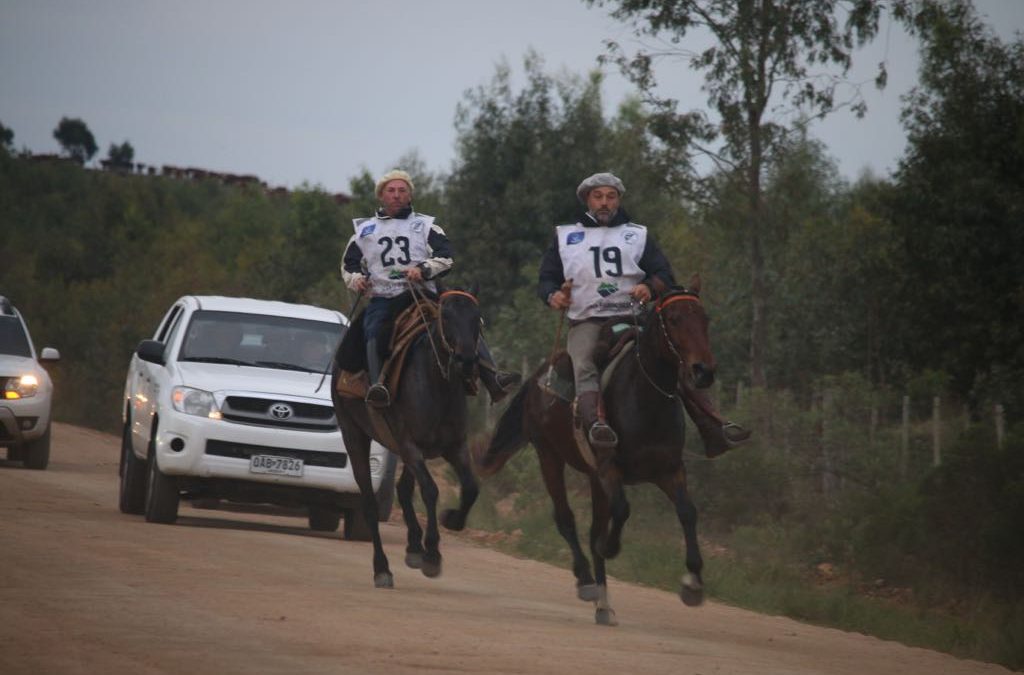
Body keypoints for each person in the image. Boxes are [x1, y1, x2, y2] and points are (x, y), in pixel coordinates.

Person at [537, 171, 749, 455]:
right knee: (585, 362)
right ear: (587, 200)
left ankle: (713, 424)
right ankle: (595, 425)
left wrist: (649, 287)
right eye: (598, 197)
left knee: (672, 357)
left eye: (610, 197)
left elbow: (664, 274)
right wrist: (556, 296)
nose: (604, 203)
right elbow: (547, 279)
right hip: (588, 321)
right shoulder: (566, 236)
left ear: (618, 200)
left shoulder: (636, 235)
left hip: (634, 318)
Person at [341, 169, 520, 408]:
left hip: (423, 294)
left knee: (463, 318)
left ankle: (492, 376)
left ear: (410, 196)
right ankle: (377, 386)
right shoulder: (364, 231)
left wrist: (423, 270)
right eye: (391, 191)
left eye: (402, 191)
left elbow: (446, 257)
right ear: (381, 196)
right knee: (372, 328)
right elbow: (348, 265)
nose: (396, 195)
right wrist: (357, 280)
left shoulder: (426, 226)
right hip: (384, 296)